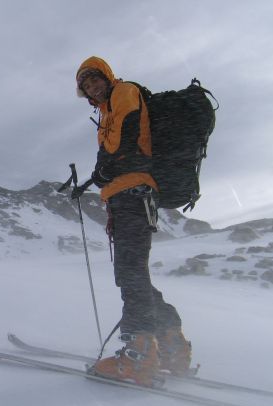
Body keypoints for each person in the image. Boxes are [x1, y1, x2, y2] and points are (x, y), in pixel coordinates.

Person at [74, 56, 192, 387]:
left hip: (133, 193)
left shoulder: (124, 92)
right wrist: (104, 182)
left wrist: (103, 169)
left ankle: (140, 354)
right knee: (133, 272)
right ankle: (171, 345)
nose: (91, 86)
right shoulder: (105, 110)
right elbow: (117, 149)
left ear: (107, 76)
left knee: (130, 273)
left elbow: (126, 137)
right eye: (85, 84)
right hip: (126, 196)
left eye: (94, 79)